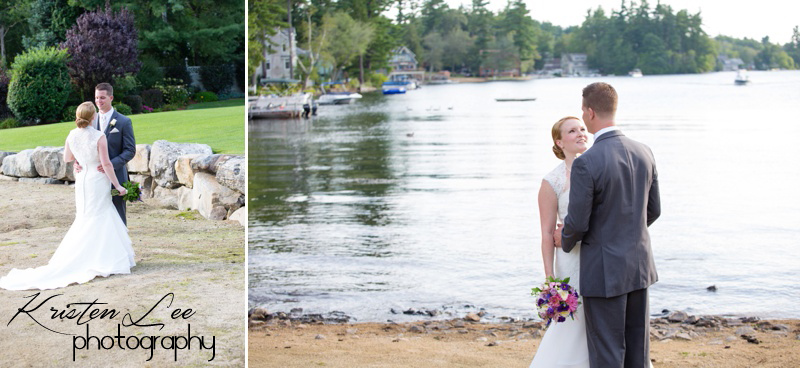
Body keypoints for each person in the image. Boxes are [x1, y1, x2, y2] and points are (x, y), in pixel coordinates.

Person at [555, 82, 661, 368]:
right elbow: (653, 211)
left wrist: (563, 239)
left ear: (589, 113)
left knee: (607, 353)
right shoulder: (645, 152)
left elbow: (576, 223)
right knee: (637, 351)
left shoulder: (586, 163)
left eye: (582, 111)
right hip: (639, 266)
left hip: (604, 272)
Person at [0, 102, 136, 290]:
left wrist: (79, 162)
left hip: (82, 182)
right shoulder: (99, 136)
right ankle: (101, 258)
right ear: (93, 117)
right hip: (97, 181)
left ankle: (90, 255)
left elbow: (67, 158)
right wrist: (118, 186)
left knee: (86, 217)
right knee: (101, 215)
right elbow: (106, 164)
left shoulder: (72, 134)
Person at [529, 116, 591, 368]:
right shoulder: (551, 181)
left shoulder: (598, 167)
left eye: (583, 129)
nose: (580, 133)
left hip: (596, 256)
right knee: (573, 322)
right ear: (559, 141)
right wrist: (550, 277)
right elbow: (546, 233)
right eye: (572, 131)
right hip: (570, 261)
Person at [75, 82, 136, 225]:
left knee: (117, 213)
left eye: (102, 98)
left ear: (111, 98)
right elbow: (82, 146)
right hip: (94, 178)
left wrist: (110, 164)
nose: (98, 101)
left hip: (116, 175)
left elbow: (130, 150)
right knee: (95, 213)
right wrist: (77, 162)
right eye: (96, 98)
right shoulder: (89, 120)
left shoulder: (124, 121)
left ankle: (121, 245)